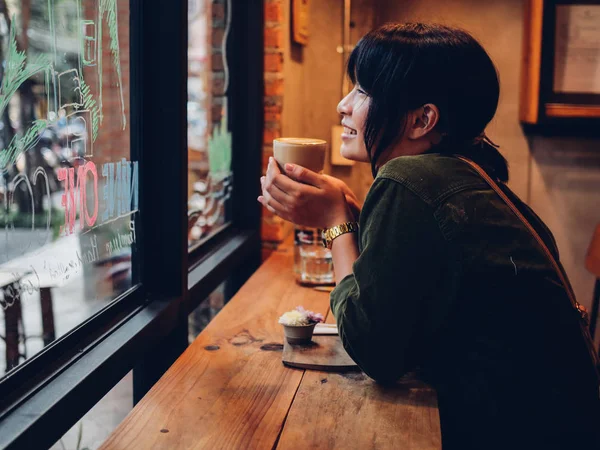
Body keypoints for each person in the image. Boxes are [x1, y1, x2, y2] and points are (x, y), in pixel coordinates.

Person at [258, 23, 600, 449]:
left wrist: (333, 223)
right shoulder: (464, 172)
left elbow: (373, 348)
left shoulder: (410, 176)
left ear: (422, 119)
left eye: (363, 91)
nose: (342, 105)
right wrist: (352, 215)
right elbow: (415, 282)